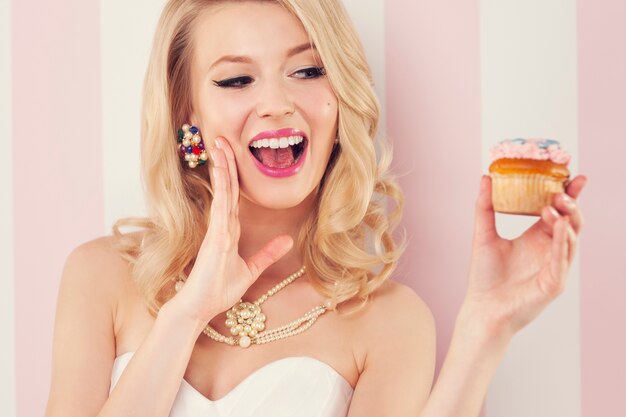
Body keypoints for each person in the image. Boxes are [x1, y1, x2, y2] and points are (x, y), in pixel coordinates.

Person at [44, 0, 587, 416]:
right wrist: (185, 314)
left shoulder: (390, 322)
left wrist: (485, 329)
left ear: (340, 100)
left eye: (307, 71)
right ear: (187, 113)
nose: (278, 103)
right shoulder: (101, 277)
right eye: (235, 79)